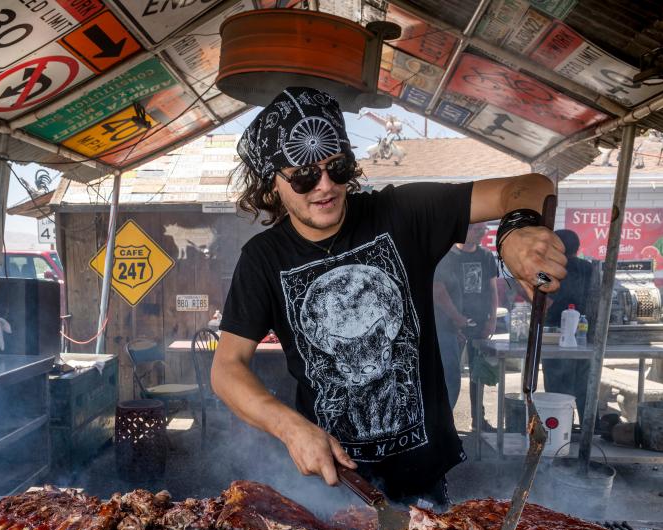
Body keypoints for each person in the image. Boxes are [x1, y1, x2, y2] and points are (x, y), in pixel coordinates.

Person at [211, 87, 566, 505]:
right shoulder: (263, 260)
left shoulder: (402, 213)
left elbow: (529, 186)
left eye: (337, 167)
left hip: (424, 481)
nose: (325, 186)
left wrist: (516, 232)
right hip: (333, 485)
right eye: (305, 175)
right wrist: (291, 428)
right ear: (272, 184)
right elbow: (227, 368)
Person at [433, 223, 499, 420]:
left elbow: (493, 289)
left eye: (484, 229)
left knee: (479, 374)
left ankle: (478, 419)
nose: (481, 233)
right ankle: (445, 422)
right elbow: (438, 290)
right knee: (450, 375)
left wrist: (492, 320)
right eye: (476, 229)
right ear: (463, 229)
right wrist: (456, 319)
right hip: (449, 326)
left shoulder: (486, 256)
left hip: (478, 324)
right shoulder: (447, 256)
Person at [542, 229, 595, 424]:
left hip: (553, 337)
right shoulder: (590, 268)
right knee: (583, 384)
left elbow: (542, 301)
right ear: (577, 248)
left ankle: (561, 427)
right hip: (584, 334)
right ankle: (588, 429)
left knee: (556, 386)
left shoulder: (547, 270)